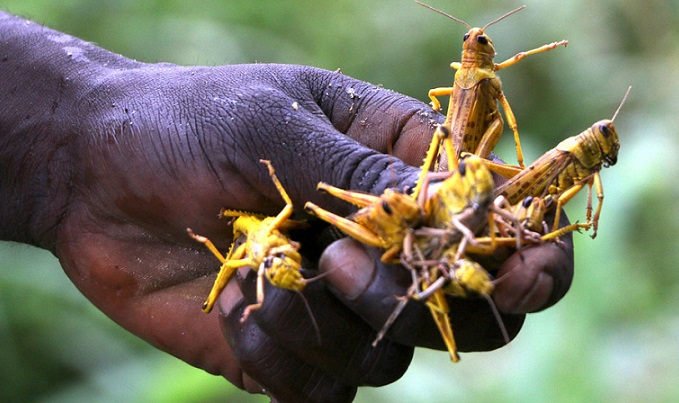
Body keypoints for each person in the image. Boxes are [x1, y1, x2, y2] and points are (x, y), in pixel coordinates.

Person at [0, 10, 573, 403]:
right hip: (371, 205)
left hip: (446, 188)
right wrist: (72, 151)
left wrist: (70, 156)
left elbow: (498, 128)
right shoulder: (461, 81)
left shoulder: (487, 81)